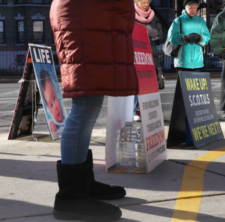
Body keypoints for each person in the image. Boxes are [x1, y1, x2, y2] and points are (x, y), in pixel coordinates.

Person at [50, 0, 139, 221]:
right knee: (86, 104)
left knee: (90, 102)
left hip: (88, 15)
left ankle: (83, 184)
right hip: (85, 17)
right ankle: (71, 197)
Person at [133, 0, 164, 122]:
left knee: (150, 85)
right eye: (143, 1)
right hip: (137, 54)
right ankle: (134, 110)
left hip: (151, 55)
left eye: (148, 1)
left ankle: (149, 111)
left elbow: (161, 36)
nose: (146, 4)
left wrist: (157, 34)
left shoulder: (153, 15)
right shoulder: (131, 14)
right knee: (136, 84)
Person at [167, 0, 210, 73]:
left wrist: (200, 38)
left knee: (195, 84)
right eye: (190, 8)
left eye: (195, 8)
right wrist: (184, 38)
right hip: (182, 63)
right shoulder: (178, 20)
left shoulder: (201, 21)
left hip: (197, 63)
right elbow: (171, 37)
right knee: (182, 84)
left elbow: (207, 37)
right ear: (185, 8)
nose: (193, 10)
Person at [39, 69, 65, 134]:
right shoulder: (49, 112)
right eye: (51, 105)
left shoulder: (61, 105)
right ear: (48, 106)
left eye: (54, 98)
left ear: (55, 92)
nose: (55, 107)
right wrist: (51, 122)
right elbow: (48, 117)